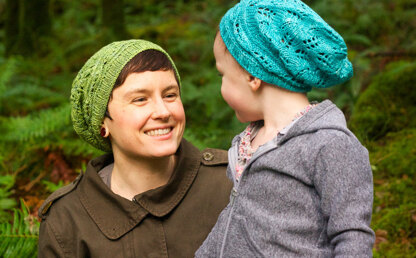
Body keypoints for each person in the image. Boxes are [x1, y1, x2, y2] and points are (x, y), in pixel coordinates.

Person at [196, 0, 375, 257]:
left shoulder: (329, 145)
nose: (220, 86)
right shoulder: (250, 140)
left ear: (251, 76)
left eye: (221, 75)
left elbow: (352, 237)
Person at [37, 39, 232, 257]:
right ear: (102, 123)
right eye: (140, 99)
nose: (163, 111)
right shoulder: (67, 220)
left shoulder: (230, 181)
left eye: (170, 95)